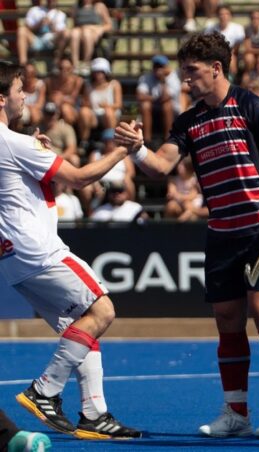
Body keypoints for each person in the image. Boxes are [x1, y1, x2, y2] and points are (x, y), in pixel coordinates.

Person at [113, 33, 259, 438]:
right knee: (226, 320)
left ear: (216, 68)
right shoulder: (189, 120)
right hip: (221, 234)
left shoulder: (251, 104)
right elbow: (162, 165)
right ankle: (236, 412)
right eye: (184, 73)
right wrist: (137, 149)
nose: (186, 81)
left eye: (192, 72)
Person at [0, 61, 140, 440]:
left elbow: (27, 194)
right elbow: (80, 179)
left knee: (81, 328)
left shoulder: (15, 145)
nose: (24, 95)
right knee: (102, 309)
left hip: (14, 258)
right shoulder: (13, 142)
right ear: (1, 98)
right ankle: (44, 390)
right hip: (40, 250)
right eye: (18, 89)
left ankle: (94, 414)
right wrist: (122, 151)